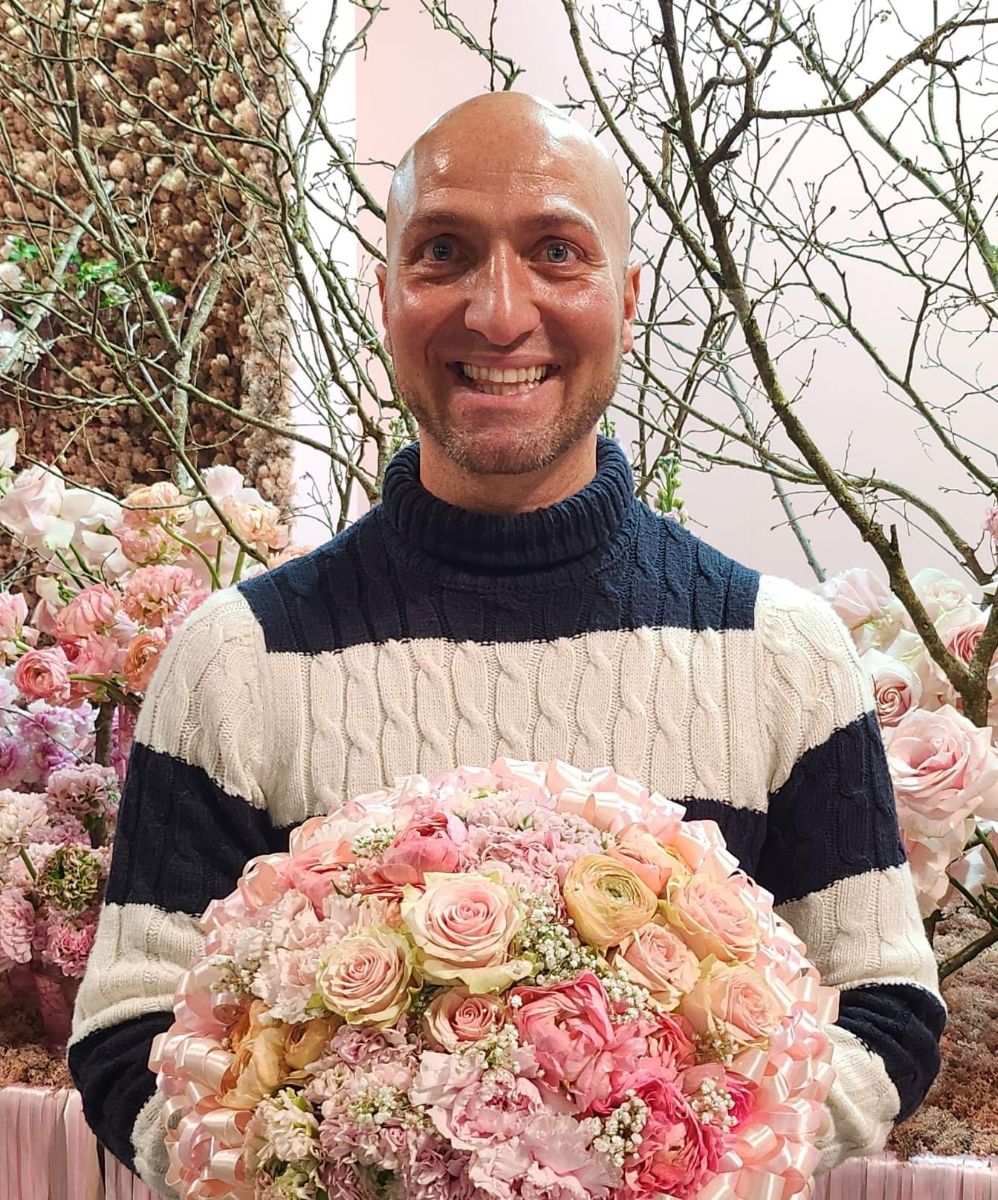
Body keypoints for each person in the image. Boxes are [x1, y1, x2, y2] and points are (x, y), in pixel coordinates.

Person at [69, 92, 944, 1195]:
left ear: (626, 297)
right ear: (385, 295)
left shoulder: (782, 652)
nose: (497, 312)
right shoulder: (236, 660)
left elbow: (884, 1008)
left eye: (555, 252)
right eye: (442, 253)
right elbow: (127, 1028)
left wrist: (683, 1168)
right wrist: (315, 1174)